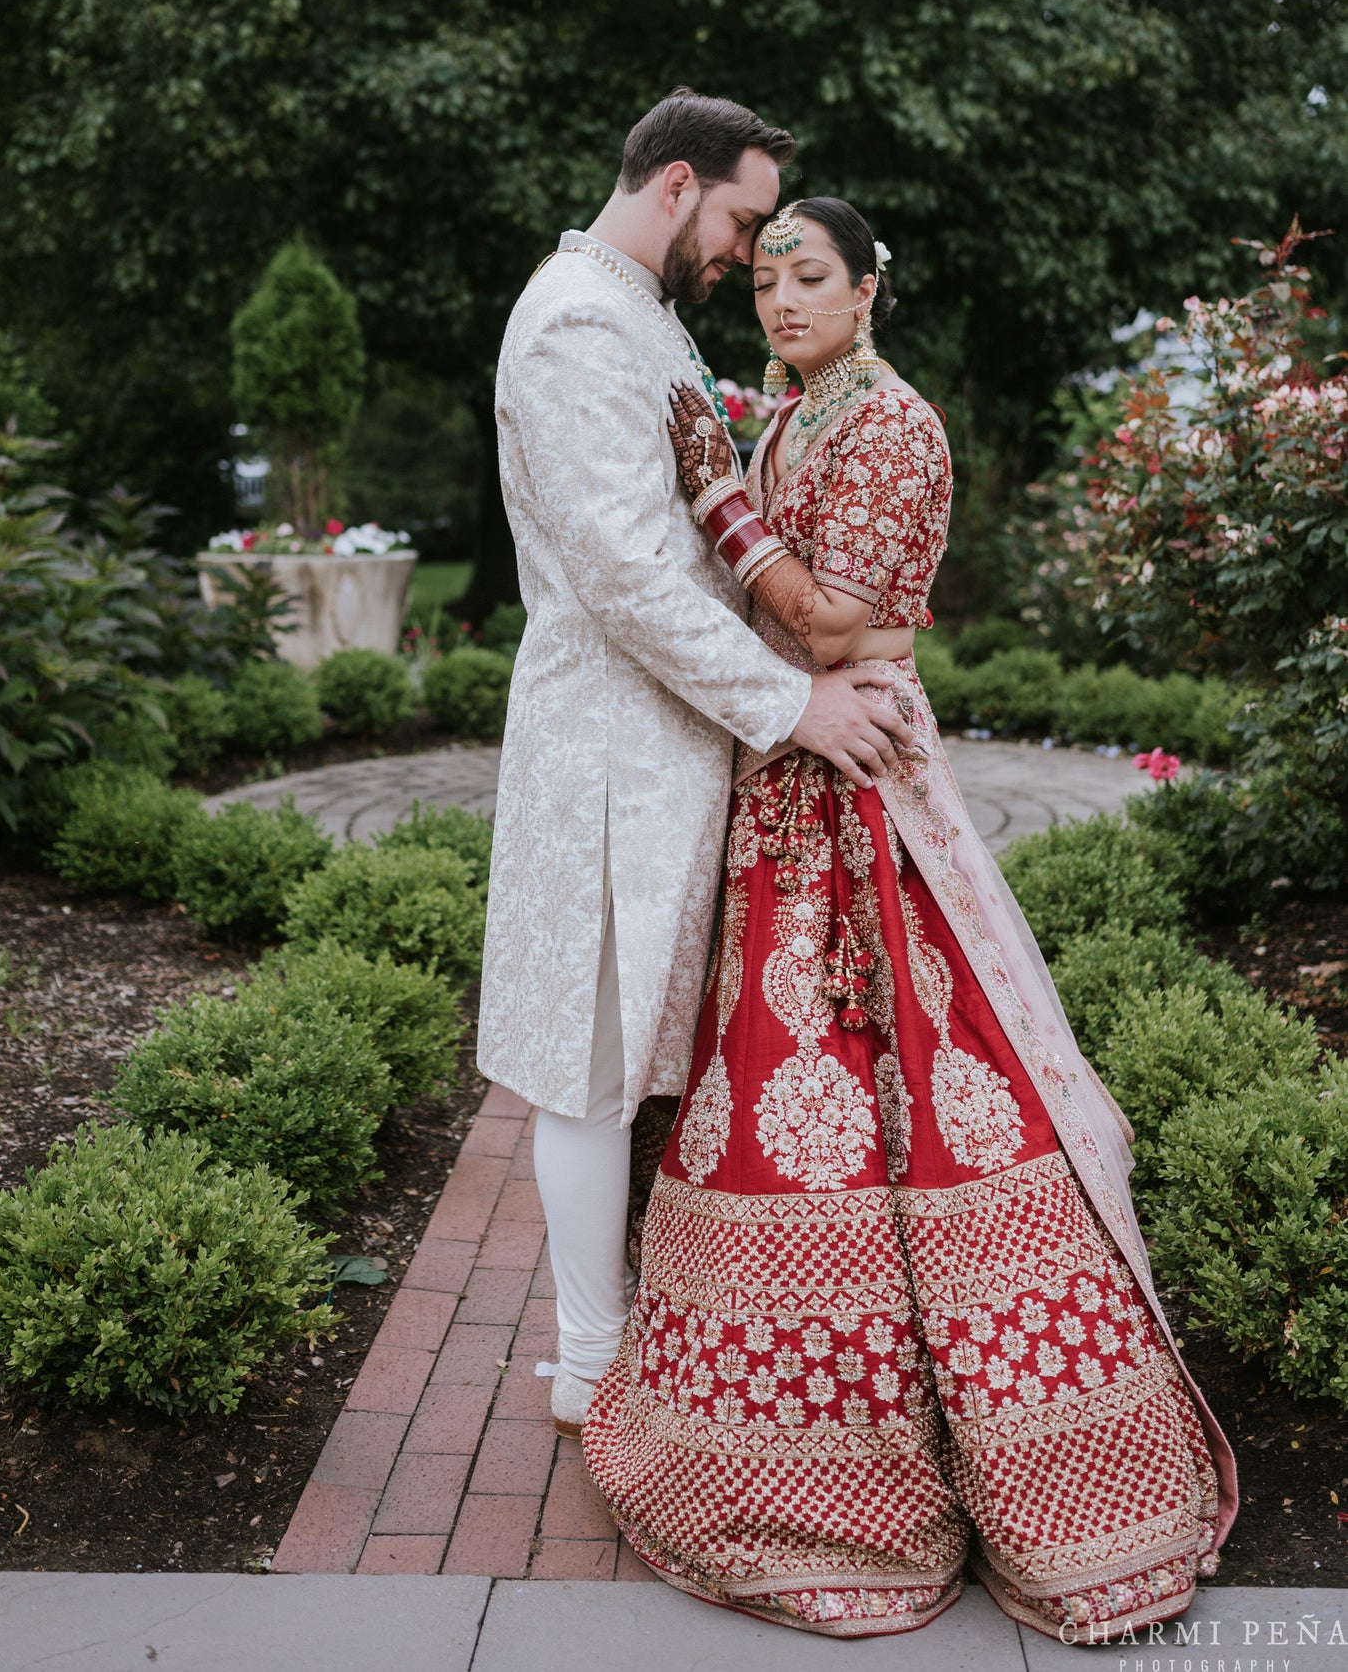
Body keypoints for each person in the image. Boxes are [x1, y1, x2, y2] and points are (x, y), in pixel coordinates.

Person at [581, 196, 1236, 1643]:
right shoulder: (794, 415)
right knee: (780, 1077)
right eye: (762, 279)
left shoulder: (893, 427)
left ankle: (996, 1468)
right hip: (783, 773)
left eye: (807, 276)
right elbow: (786, 618)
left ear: (870, 287)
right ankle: (783, 1461)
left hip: (859, 776)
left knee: (908, 1072)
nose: (778, 300)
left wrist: (718, 503)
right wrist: (739, 510)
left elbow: (827, 624)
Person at [479, 96, 918, 1438]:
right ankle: (589, 1364)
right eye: (737, 219)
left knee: (647, 1056)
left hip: (676, 742)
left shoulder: (640, 312)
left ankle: (628, 1333)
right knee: (593, 1060)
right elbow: (623, 582)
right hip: (610, 749)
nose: (743, 254)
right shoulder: (572, 321)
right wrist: (793, 706)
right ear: (676, 184)